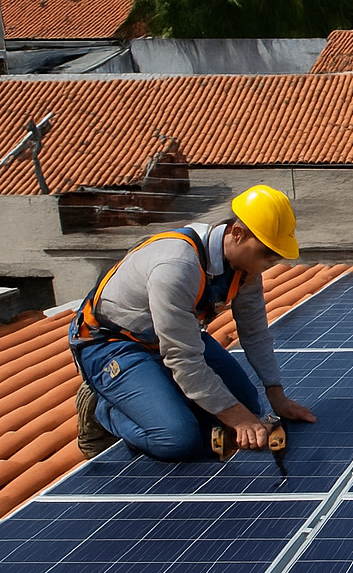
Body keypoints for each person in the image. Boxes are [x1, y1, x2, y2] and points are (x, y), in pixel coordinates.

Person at [69, 185, 316, 460]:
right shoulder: (176, 267)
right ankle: (104, 409)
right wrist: (238, 419)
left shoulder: (244, 269)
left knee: (247, 404)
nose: (269, 264)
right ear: (237, 233)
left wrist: (275, 392)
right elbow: (183, 358)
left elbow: (255, 331)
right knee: (178, 439)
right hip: (114, 344)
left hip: (169, 337)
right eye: (267, 254)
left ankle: (155, 391)